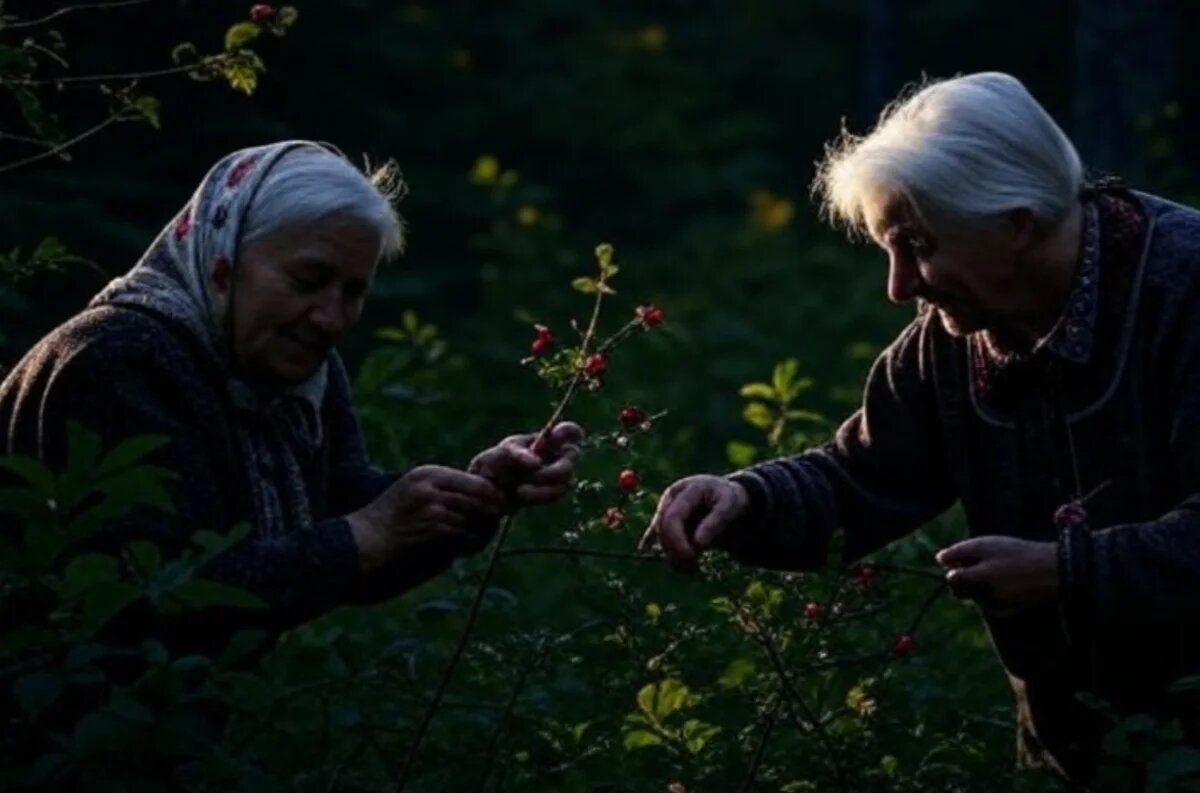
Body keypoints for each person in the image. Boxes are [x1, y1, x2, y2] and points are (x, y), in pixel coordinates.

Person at [642, 72, 1200, 787]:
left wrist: (1067, 570)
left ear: (1015, 222)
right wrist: (745, 500)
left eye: (917, 246)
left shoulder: (1182, 291)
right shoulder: (954, 336)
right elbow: (864, 475)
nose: (900, 286)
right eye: (888, 249)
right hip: (1072, 758)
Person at [0, 140, 582, 652]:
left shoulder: (297, 371)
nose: (331, 318)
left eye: (354, 292)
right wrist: (371, 533)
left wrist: (478, 491)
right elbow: (152, 602)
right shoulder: (119, 360)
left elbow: (340, 512)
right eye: (308, 282)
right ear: (223, 263)